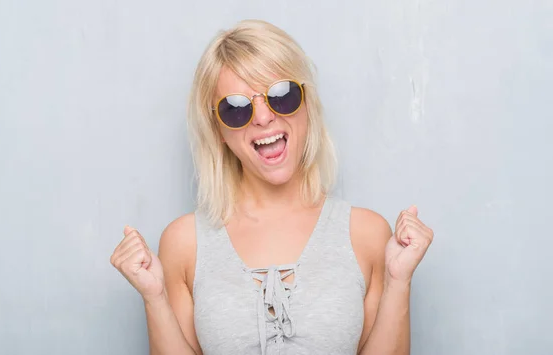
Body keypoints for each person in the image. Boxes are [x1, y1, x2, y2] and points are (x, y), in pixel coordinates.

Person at [110, 19, 434, 355]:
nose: (264, 118)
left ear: (307, 104)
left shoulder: (365, 234)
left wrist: (399, 281)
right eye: (236, 109)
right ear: (219, 130)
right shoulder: (184, 243)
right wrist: (154, 297)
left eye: (282, 95)